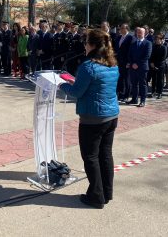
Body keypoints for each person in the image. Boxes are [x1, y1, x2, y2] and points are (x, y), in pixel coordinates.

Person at [59, 29, 119, 209]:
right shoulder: (112, 64)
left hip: (93, 119)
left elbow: (77, 92)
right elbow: (95, 85)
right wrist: (75, 82)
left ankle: (96, 196)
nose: (84, 46)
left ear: (92, 45)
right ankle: (106, 193)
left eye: (86, 43)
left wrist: (62, 84)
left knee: (91, 157)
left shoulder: (88, 66)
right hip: (111, 116)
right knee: (105, 155)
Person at [115, 23, 133, 102]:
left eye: (122, 28)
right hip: (119, 62)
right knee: (120, 78)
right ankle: (121, 94)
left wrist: (129, 62)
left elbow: (131, 51)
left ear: (127, 29)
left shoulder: (130, 38)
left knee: (127, 79)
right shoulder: (119, 37)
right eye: (120, 28)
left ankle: (127, 95)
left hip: (126, 62)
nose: (121, 30)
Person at [150, 34, 168, 99]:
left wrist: (156, 65)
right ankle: (153, 92)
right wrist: (152, 63)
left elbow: (163, 58)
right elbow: (151, 56)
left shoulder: (164, 47)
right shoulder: (153, 47)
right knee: (154, 79)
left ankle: (160, 92)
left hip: (161, 66)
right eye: (156, 39)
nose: (157, 41)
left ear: (161, 40)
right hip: (153, 65)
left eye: (158, 39)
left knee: (160, 80)